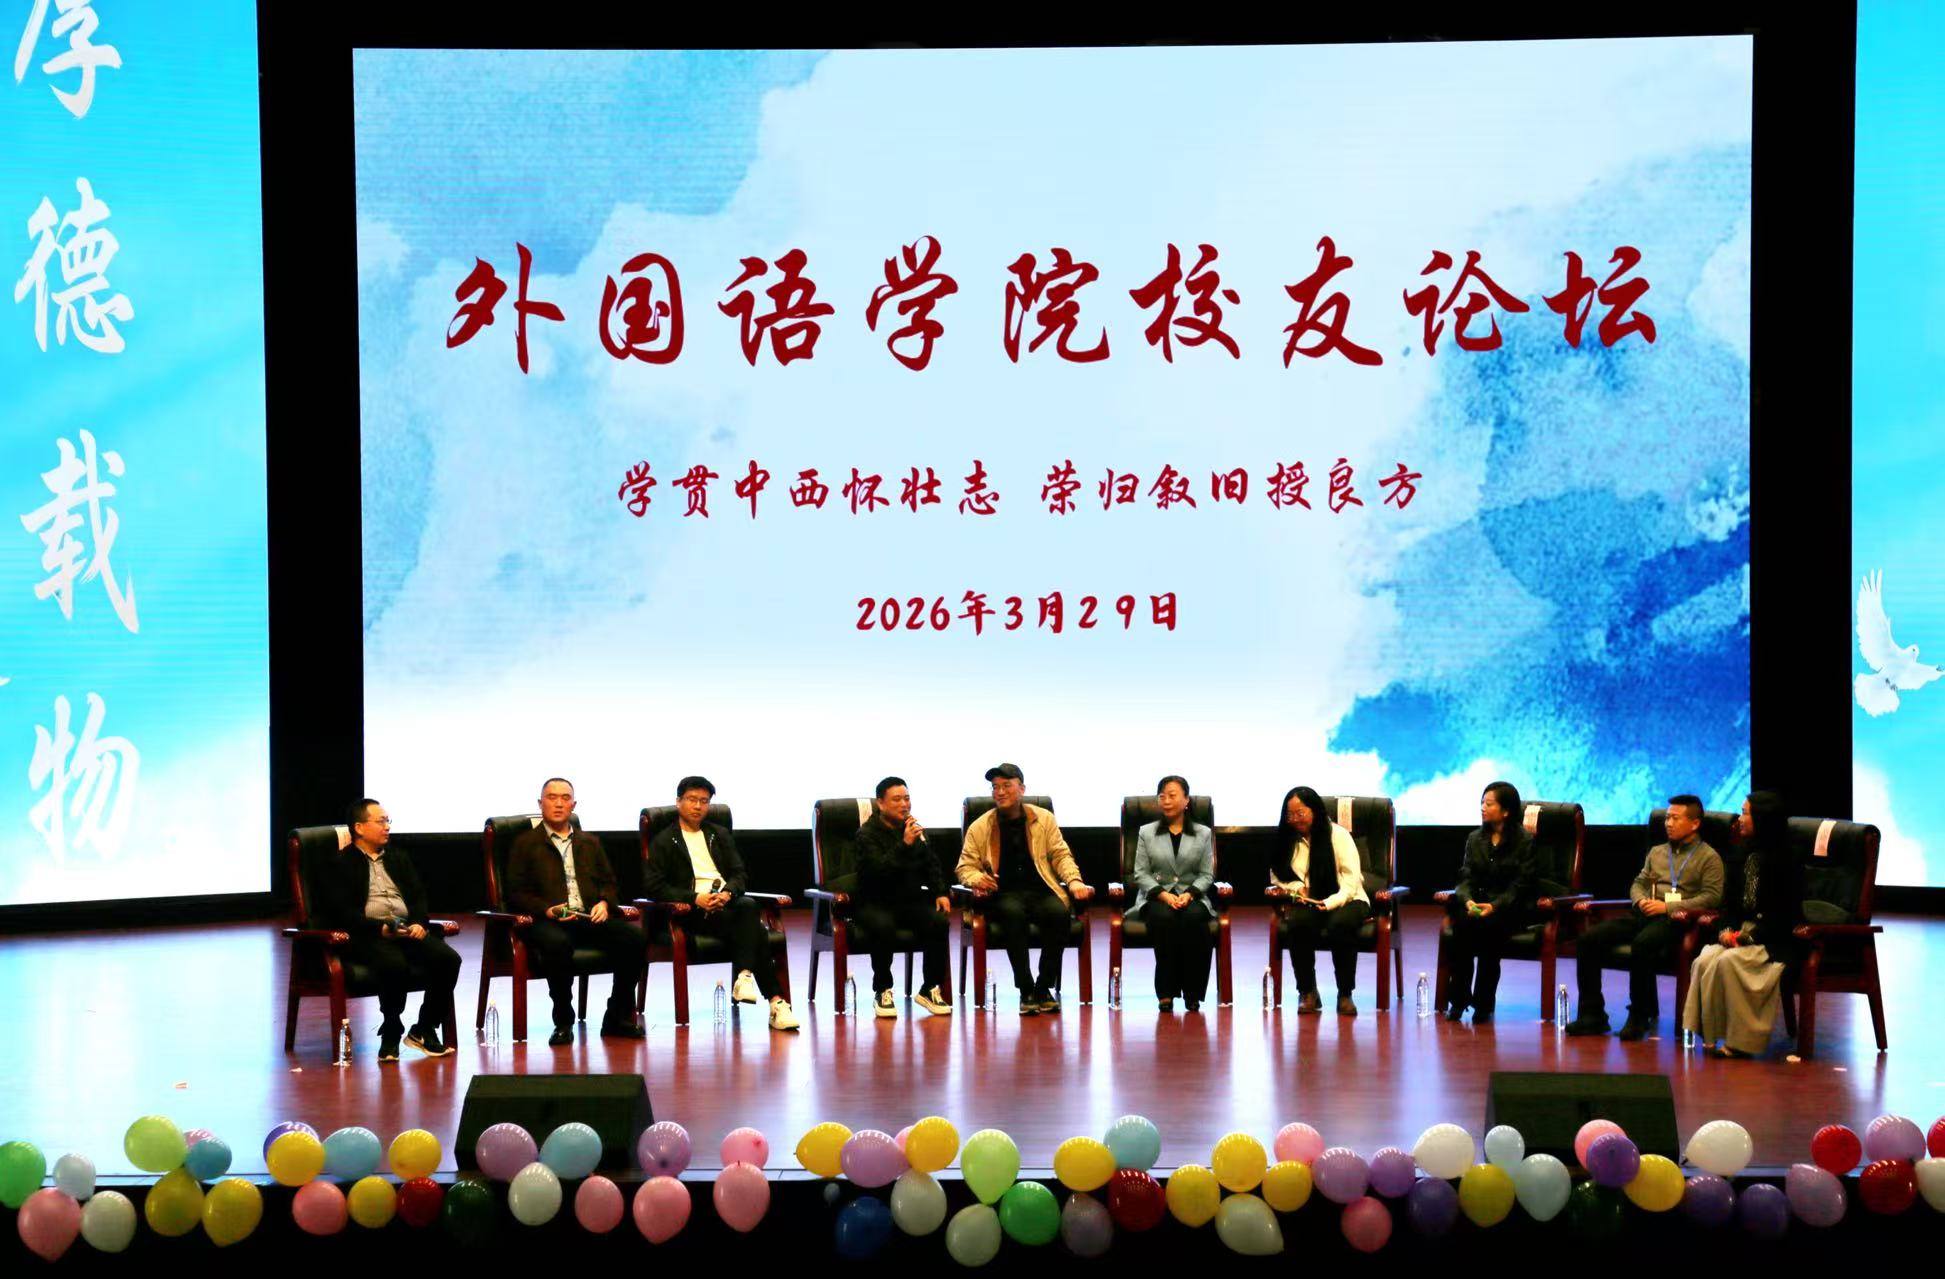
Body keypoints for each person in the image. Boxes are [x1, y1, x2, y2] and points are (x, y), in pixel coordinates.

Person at [642, 775, 800, 1031]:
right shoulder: (664, 840)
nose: (698, 806)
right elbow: (654, 886)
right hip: (691, 912)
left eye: (704, 801)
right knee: (756, 929)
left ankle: (748, 979)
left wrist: (727, 893)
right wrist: (695, 898)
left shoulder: (719, 834)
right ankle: (775, 1002)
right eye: (692, 799)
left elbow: (739, 874)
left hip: (725, 905)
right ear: (678, 802)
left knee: (747, 906)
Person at [1566, 794, 1725, 1040]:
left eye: (1675, 818)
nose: (1668, 823)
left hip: (1678, 920)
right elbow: (1638, 883)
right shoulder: (1657, 852)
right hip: (1643, 913)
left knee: (1643, 943)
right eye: (1667, 818)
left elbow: (1711, 898)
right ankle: (1592, 1014)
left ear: (1695, 823)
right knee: (1588, 939)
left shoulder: (1709, 857)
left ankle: (1639, 1015)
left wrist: (1668, 907)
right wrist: (1640, 900)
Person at [504, 778, 647, 1046]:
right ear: (540, 804)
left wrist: (604, 903)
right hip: (548, 920)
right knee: (557, 943)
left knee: (634, 939)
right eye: (552, 797)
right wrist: (546, 909)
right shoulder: (525, 843)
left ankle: (616, 1016)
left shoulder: (589, 842)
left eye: (565, 798)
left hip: (586, 918)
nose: (558, 803)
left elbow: (609, 883)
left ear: (574, 804)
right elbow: (515, 892)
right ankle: (563, 1021)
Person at [315, 799, 461, 1061]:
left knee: (448, 959)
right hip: (368, 935)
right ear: (359, 828)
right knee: (393, 963)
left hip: (405, 930)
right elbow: (341, 912)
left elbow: (417, 898)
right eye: (381, 821)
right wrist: (379, 928)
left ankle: (424, 1028)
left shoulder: (398, 858)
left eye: (388, 821)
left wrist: (418, 923)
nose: (387, 827)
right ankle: (391, 1030)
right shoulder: (340, 863)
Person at [956, 763, 1094, 1014]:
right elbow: (965, 867)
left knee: (1058, 913)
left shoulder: (1043, 819)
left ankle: (1043, 987)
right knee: (1013, 915)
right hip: (1003, 894)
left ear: (1021, 789)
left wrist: (1074, 880)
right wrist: (977, 879)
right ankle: (1026, 989)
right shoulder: (981, 826)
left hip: (1041, 890)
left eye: (1006, 786)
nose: (1000, 792)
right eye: (995, 787)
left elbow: (1060, 855)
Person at [1684, 791, 1804, 1059]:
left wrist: (1747, 938)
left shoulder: (1788, 858)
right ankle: (1710, 1033)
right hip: (1740, 932)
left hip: (1774, 940)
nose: (1739, 819)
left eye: (1745, 813)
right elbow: (1728, 905)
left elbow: (1786, 915)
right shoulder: (1740, 853)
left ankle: (1741, 1043)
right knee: (1705, 959)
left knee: (1730, 961)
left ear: (1763, 818)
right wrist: (1726, 931)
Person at [852, 777, 953, 1017]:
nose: (904, 804)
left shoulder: (914, 829)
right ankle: (882, 989)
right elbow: (877, 873)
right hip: (875, 901)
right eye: (896, 799)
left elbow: (931, 864)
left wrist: (940, 891)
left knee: (938, 921)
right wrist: (904, 845)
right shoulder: (866, 835)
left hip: (908, 901)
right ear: (881, 803)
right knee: (883, 925)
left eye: (907, 798)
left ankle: (930, 988)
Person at [1444, 780, 1539, 1025]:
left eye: (1489, 804)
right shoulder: (1475, 838)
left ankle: (1483, 1005)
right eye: (1482, 803)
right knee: (1461, 928)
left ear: (1506, 811)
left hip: (1509, 909)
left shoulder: (1524, 841)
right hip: (1477, 905)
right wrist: (1467, 900)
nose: (1483, 808)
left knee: (1490, 932)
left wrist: (1495, 906)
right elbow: (1465, 877)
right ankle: (1458, 1000)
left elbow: (1521, 885)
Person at [1270, 785, 1369, 1016]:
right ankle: (1308, 992)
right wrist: (1297, 888)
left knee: (1340, 924)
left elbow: (1351, 880)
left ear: (1314, 810)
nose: (1295, 820)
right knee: (1297, 923)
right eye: (1290, 815)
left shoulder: (1338, 835)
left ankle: (1345, 994)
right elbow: (1276, 876)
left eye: (1300, 813)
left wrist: (1332, 902)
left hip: (1348, 898)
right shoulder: (1287, 839)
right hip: (1312, 901)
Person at [1131, 775, 1214, 1012]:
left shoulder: (1203, 833)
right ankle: (1165, 992)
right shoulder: (1147, 832)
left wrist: (1189, 894)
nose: (1166, 800)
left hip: (1192, 896)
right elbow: (1140, 873)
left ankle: (1192, 993)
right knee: (1164, 918)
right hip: (1156, 897)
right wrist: (1164, 895)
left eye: (1172, 795)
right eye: (1162, 796)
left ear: (1186, 800)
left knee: (1194, 918)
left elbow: (1206, 875)